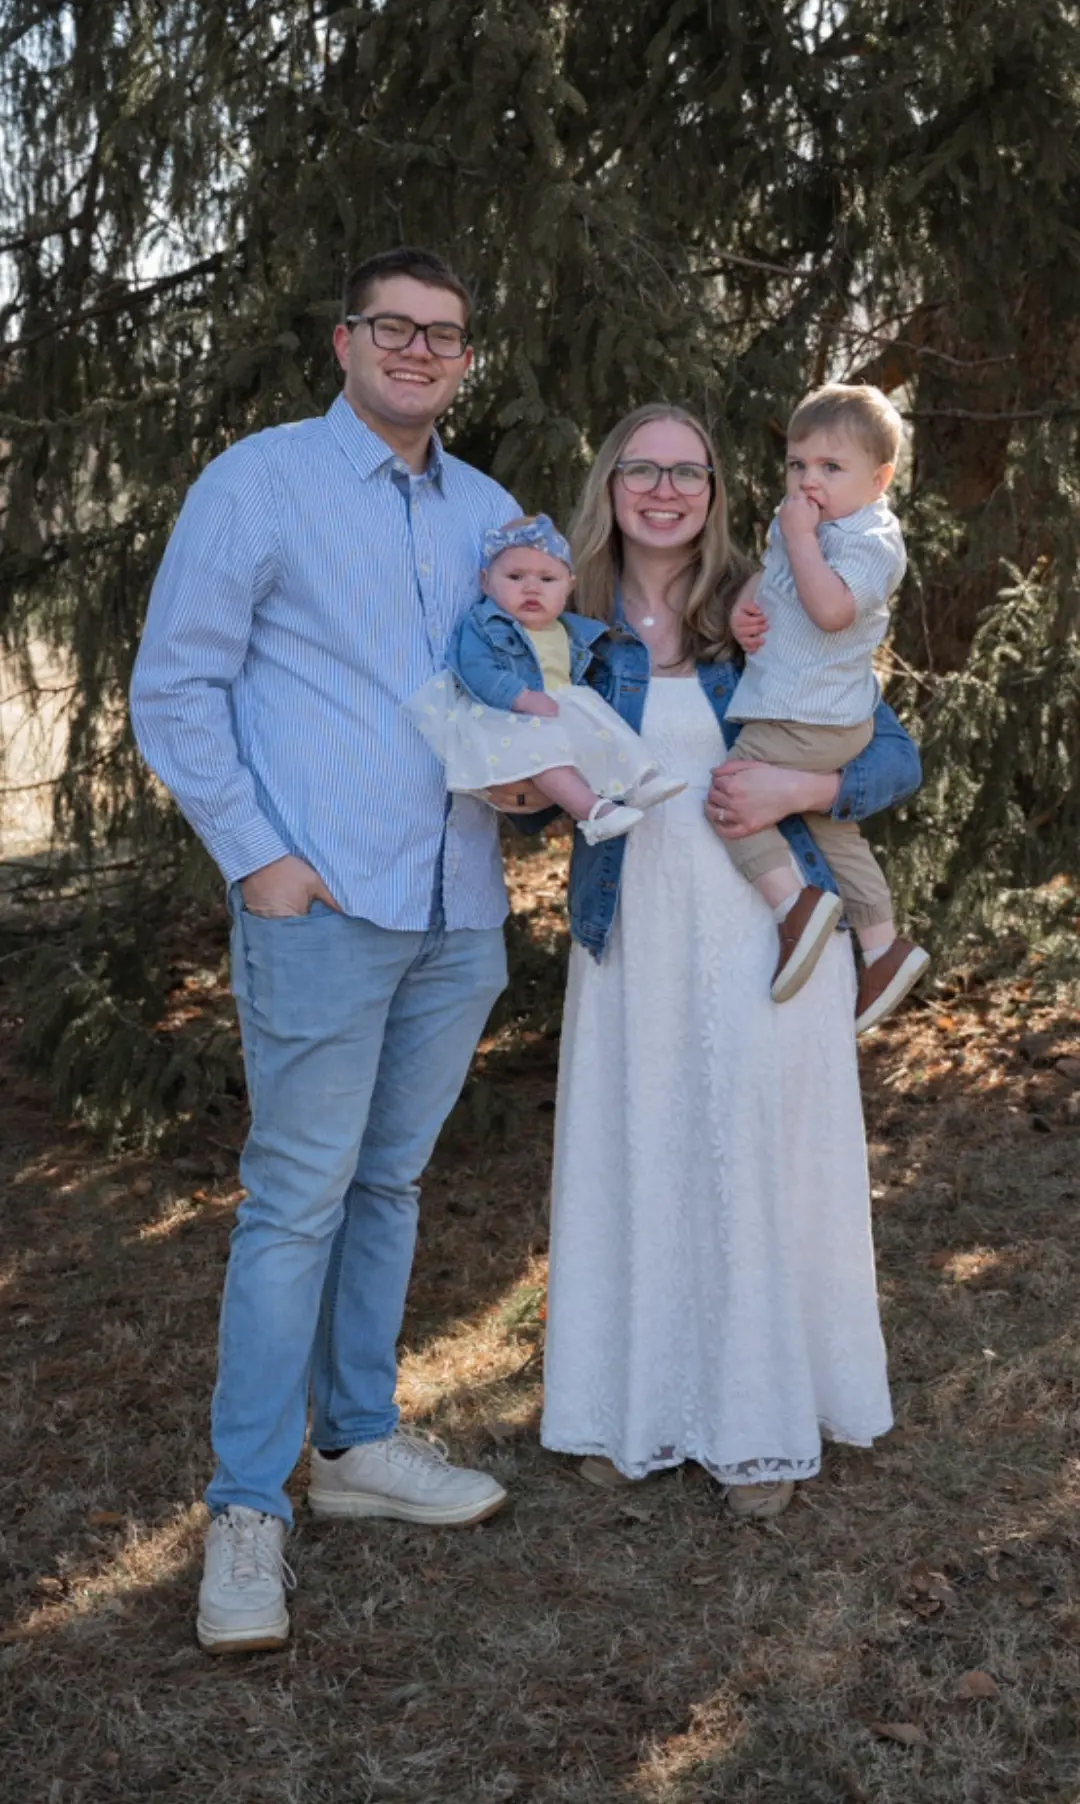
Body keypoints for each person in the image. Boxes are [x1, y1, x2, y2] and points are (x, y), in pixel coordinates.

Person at [130, 247, 526, 1655]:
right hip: (322, 906)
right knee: (296, 1199)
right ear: (345, 340)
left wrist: (535, 767)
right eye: (396, 328)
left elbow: (504, 690)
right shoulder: (261, 481)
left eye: (447, 335)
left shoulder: (488, 512)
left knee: (392, 1185)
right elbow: (176, 687)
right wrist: (262, 861)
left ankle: (358, 1445)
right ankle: (248, 1506)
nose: (422, 350)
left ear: (465, 361)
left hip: (457, 911)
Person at [532, 402, 921, 1517]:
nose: (665, 489)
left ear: (714, 490)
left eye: (689, 471)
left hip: (774, 934)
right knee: (641, 1152)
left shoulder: (768, 603)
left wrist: (804, 790)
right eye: (641, 469)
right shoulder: (567, 623)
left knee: (757, 1158)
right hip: (632, 939)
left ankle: (762, 1425)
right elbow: (524, 787)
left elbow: (891, 755)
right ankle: (631, 1408)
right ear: (610, 485)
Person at [722, 382, 929, 1030]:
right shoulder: (804, 525)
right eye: (798, 464)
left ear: (879, 479)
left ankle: (794, 909)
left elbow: (833, 609)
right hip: (804, 711)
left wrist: (802, 538)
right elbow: (774, 573)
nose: (809, 481)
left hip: (809, 717)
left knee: (732, 796)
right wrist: (744, 606)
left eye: (831, 468)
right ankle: (882, 945)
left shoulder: (870, 538)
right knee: (836, 832)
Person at [405, 512, 685, 843]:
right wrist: (520, 696)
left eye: (547, 580)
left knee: (606, 726)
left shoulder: (568, 629)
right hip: (510, 714)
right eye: (515, 576)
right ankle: (594, 813)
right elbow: (476, 669)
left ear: (569, 585)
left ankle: (640, 780)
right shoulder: (484, 624)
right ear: (485, 582)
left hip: (558, 702)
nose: (532, 588)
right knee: (548, 760)